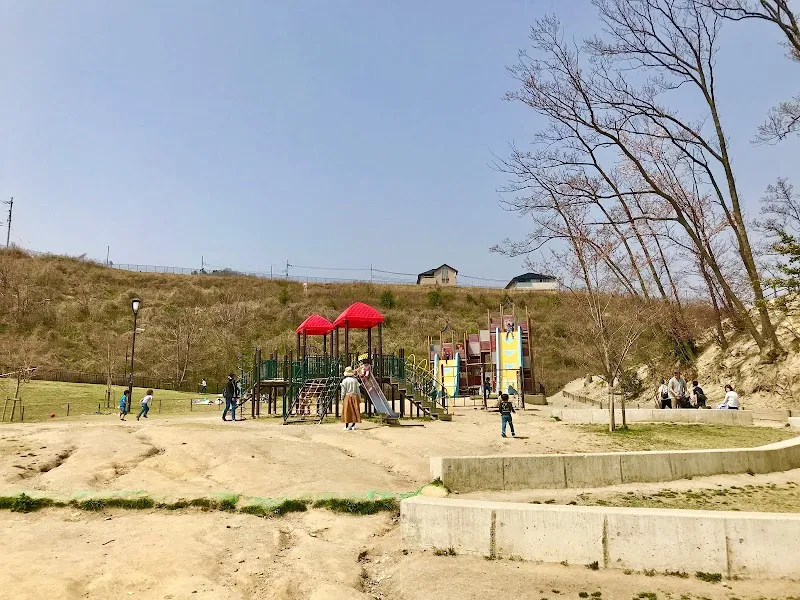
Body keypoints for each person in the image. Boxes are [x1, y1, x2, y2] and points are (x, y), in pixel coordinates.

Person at [341, 366, 362, 431]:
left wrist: (342, 398)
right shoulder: (355, 380)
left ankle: (347, 426)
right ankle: (353, 425)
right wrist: (359, 397)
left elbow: (343, 391)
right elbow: (358, 390)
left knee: (347, 411)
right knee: (355, 410)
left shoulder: (344, 381)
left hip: (347, 396)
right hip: (355, 396)